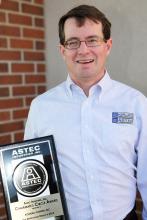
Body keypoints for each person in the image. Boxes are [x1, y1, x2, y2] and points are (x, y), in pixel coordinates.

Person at [24, 4, 147, 220]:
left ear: (107, 46)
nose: (83, 50)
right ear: (62, 51)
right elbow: (32, 181)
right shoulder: (41, 108)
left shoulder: (135, 104)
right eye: (73, 42)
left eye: (92, 40)